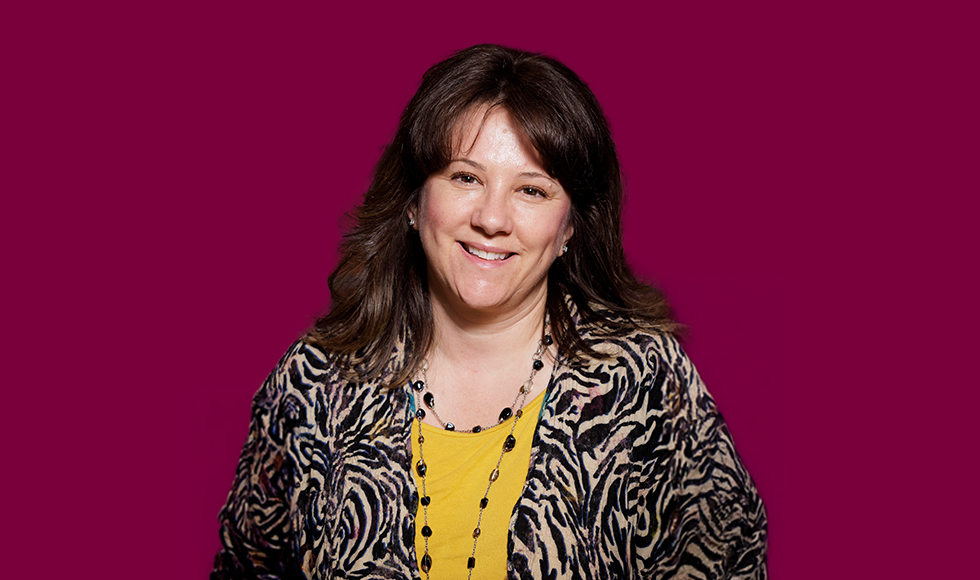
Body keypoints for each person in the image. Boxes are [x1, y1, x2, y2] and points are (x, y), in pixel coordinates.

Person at [212, 44, 767, 580]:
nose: (493, 219)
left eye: (532, 191)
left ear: (569, 226)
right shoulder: (312, 385)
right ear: (413, 200)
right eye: (465, 177)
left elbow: (733, 557)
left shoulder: (642, 382)